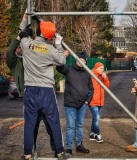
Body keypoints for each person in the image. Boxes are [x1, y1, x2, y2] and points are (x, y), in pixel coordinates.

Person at [7, 13, 58, 158]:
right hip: (30, 96)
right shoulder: (15, 62)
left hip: (43, 94)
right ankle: (30, 152)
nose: (20, 48)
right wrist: (19, 37)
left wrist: (29, 20)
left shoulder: (33, 52)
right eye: (19, 47)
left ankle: (56, 150)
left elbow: (42, 39)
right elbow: (10, 51)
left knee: (50, 126)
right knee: (32, 128)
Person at [19, 18, 69, 160]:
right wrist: (58, 44)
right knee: (54, 121)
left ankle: (27, 154)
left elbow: (22, 34)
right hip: (46, 90)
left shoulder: (27, 44)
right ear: (51, 36)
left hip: (30, 89)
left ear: (39, 31)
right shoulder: (51, 50)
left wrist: (24, 23)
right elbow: (62, 60)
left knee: (29, 123)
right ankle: (60, 152)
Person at [56, 52, 94, 157]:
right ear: (76, 60)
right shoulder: (69, 69)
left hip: (82, 103)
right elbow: (59, 68)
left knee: (80, 125)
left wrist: (88, 100)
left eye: (84, 61)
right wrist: (63, 56)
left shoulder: (87, 73)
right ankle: (68, 148)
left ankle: (79, 145)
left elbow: (91, 88)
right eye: (80, 60)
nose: (82, 62)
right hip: (71, 103)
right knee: (70, 126)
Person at [89, 62, 110, 143]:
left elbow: (107, 86)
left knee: (95, 118)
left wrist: (105, 78)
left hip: (100, 101)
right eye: (101, 68)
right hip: (93, 101)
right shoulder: (91, 75)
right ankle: (97, 134)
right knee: (97, 118)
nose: (102, 70)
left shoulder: (102, 76)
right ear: (96, 68)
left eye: (103, 68)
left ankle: (92, 133)